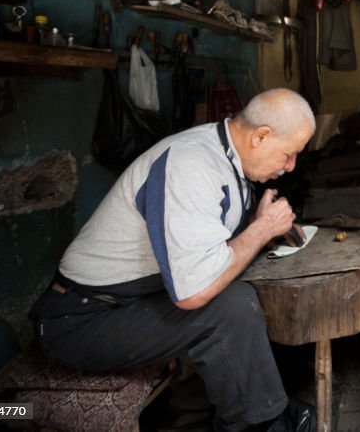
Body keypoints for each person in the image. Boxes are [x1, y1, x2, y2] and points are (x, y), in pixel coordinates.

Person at [29, 88, 315, 432]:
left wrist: (259, 226)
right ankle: (257, 425)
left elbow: (214, 238)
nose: (290, 166)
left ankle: (264, 408)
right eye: (288, 154)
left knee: (247, 289)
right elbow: (193, 292)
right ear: (261, 136)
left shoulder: (227, 156)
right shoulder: (191, 164)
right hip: (81, 319)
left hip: (132, 301)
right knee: (231, 308)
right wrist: (262, 229)